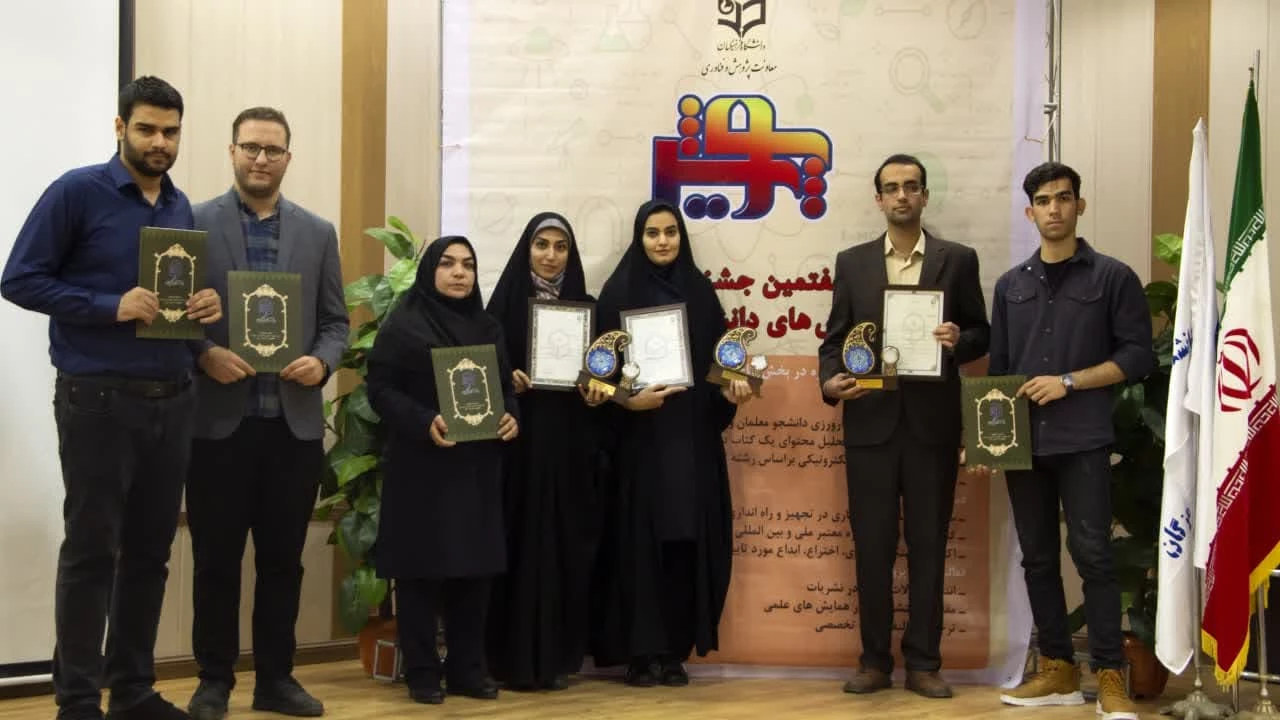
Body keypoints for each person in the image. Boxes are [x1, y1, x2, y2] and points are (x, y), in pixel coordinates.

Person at [1, 76, 222, 720]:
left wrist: (203, 309)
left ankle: (132, 691)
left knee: (151, 555)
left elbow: (174, 303)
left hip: (173, 399)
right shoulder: (76, 192)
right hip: (98, 400)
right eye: (147, 129)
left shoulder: (180, 207)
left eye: (171, 132)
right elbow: (20, 280)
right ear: (120, 127)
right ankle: (76, 701)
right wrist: (108, 305)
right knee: (92, 552)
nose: (160, 142)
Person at [183, 107, 348, 720]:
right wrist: (204, 354)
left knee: (283, 563)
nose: (260, 158)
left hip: (291, 428)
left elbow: (335, 322)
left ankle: (276, 680)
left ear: (287, 158)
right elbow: (172, 314)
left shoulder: (319, 232)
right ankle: (213, 682)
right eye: (250, 147)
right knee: (215, 562)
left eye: (272, 149)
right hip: (217, 428)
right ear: (231, 151)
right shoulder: (193, 222)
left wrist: (322, 363)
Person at [817, 153, 990, 699]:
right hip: (869, 424)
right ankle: (873, 661)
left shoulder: (957, 260)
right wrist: (830, 383)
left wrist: (958, 340)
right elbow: (833, 340)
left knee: (928, 547)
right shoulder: (853, 263)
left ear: (924, 196)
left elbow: (981, 333)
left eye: (911, 187)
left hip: (932, 427)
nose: (901, 196)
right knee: (871, 547)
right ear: (878, 199)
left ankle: (924, 663)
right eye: (891, 188)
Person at [988, 162, 1152, 720]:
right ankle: (1058, 669)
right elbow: (1001, 374)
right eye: (1043, 200)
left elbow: (1138, 356)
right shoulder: (1010, 286)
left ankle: (1109, 675)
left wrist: (1070, 381)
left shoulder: (1113, 277)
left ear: (1079, 205)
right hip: (1024, 446)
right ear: (1029, 211)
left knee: (1093, 556)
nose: (1053, 209)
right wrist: (987, 442)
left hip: (1083, 439)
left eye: (1063, 198)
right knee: (1037, 558)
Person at [590, 199, 752, 687]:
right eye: (653, 233)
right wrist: (629, 402)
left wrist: (732, 391)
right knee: (638, 548)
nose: (663, 241)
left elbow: (721, 370)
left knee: (684, 544)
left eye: (671, 232)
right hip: (638, 446)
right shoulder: (617, 294)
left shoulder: (701, 295)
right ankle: (640, 654)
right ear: (639, 239)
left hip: (690, 443)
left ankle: (674, 652)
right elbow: (597, 379)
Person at [366, 236, 520, 705]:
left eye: (468, 265)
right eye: (448, 263)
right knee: (421, 573)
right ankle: (422, 672)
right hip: (422, 467)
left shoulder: (488, 327)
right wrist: (422, 421)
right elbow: (380, 390)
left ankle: (468, 670)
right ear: (430, 269)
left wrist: (512, 416)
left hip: (476, 467)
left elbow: (505, 389)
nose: (459, 273)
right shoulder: (403, 325)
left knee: (475, 572)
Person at [484, 212, 606, 690]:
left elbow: (607, 380)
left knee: (561, 550)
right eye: (542, 245)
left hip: (568, 453)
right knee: (514, 545)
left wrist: (597, 392)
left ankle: (554, 659)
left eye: (561, 247)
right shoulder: (502, 308)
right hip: (517, 449)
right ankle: (506, 659)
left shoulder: (588, 310)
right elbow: (478, 371)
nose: (551, 255)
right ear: (527, 249)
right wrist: (505, 377)